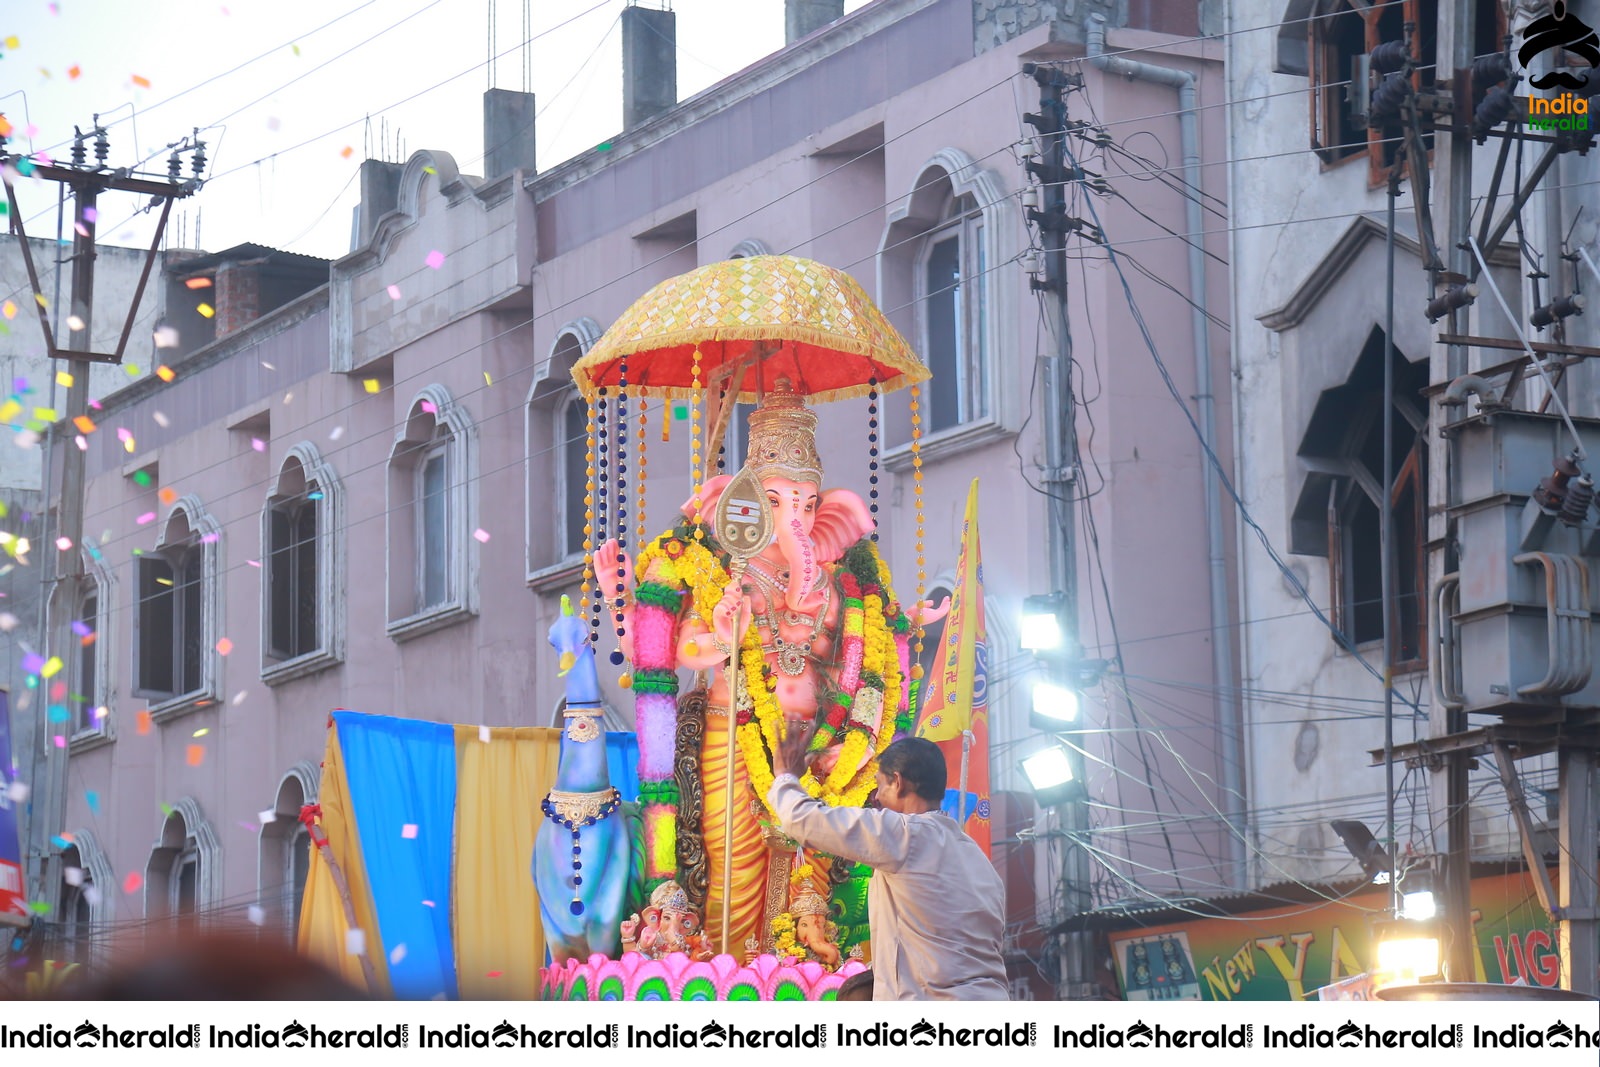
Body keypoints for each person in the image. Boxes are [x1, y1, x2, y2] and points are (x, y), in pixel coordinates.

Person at [767, 729, 1009, 1001]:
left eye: (879, 785)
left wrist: (786, 776)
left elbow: (805, 821)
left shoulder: (904, 835)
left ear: (898, 782)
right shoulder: (977, 858)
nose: (877, 798)